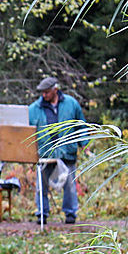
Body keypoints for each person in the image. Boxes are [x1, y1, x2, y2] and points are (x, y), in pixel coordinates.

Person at [28, 77, 88, 224]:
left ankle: (70, 214)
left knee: (69, 185)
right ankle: (42, 213)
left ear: (55, 89)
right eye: (42, 93)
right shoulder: (34, 109)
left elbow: (81, 125)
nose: (44, 95)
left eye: (47, 92)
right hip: (45, 153)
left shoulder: (71, 104)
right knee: (41, 185)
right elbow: (27, 134)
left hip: (67, 151)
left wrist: (84, 144)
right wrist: (29, 155)